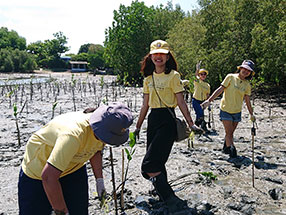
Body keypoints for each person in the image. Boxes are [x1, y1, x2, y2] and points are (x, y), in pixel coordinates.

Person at [18, 102, 133, 215]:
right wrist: (62, 212)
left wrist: (100, 181)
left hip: (73, 168)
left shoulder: (101, 130)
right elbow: (48, 177)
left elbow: (95, 149)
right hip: (39, 172)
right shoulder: (73, 136)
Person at [134, 40, 201, 213]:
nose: (159, 57)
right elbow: (145, 105)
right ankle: (161, 193)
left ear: (167, 56)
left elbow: (180, 101)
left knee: (149, 165)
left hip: (167, 119)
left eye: (162, 54)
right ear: (150, 56)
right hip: (153, 120)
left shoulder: (173, 76)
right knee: (158, 161)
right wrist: (138, 126)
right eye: (155, 54)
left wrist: (191, 123)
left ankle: (170, 198)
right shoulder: (148, 79)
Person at [201, 60, 256, 158]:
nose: (246, 71)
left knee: (230, 133)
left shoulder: (247, 85)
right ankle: (232, 150)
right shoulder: (230, 77)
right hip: (225, 109)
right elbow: (220, 89)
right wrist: (209, 100)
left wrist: (251, 114)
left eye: (248, 71)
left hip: (237, 112)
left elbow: (247, 101)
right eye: (245, 69)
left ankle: (225, 147)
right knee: (229, 133)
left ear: (250, 73)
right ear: (240, 68)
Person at [192, 62, 211, 133]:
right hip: (196, 100)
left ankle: (196, 127)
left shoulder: (207, 85)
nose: (203, 75)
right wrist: (197, 69)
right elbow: (195, 76)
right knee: (200, 114)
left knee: (199, 114)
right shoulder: (197, 81)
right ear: (199, 75)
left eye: (204, 74)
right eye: (201, 74)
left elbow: (207, 95)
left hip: (202, 102)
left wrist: (208, 104)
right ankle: (203, 127)